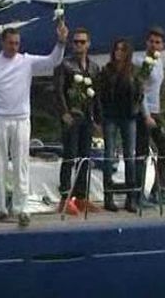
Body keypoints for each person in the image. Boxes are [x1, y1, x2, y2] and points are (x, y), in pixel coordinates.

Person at [0, 23, 68, 226]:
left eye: (17, 43)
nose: (14, 47)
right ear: (2, 42)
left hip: (21, 118)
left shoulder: (27, 61)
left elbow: (53, 61)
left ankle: (21, 208)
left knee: (21, 164)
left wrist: (61, 42)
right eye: (10, 43)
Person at [53, 27, 102, 215]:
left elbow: (96, 95)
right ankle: (65, 197)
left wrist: (98, 119)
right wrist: (63, 113)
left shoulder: (94, 67)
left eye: (82, 42)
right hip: (71, 116)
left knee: (85, 157)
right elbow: (58, 91)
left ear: (88, 44)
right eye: (75, 42)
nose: (78, 45)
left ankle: (81, 197)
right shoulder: (65, 65)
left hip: (87, 116)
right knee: (69, 156)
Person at [98, 39, 145, 213]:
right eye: (116, 49)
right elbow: (101, 94)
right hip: (110, 116)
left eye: (122, 49)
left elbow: (139, 92)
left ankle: (131, 198)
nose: (118, 52)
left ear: (127, 52)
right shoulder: (106, 70)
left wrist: (137, 107)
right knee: (109, 155)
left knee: (129, 157)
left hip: (129, 116)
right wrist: (100, 115)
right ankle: (108, 197)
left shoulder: (134, 71)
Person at [134, 26, 165, 204]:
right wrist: (147, 114)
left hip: (156, 112)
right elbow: (140, 90)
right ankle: (137, 194)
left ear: (163, 45)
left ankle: (158, 191)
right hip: (144, 113)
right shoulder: (139, 61)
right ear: (146, 43)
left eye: (158, 42)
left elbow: (155, 89)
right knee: (142, 153)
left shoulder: (159, 61)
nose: (154, 45)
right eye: (151, 41)